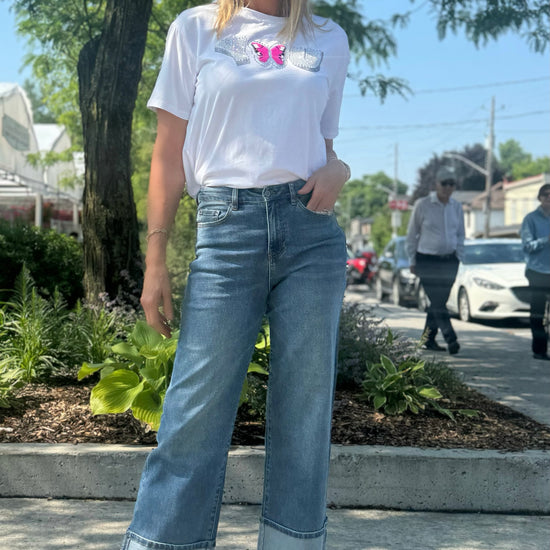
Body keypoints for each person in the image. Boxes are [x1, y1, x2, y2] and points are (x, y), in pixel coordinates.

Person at [121, 1, 350, 549]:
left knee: (305, 411)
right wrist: (155, 259)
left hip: (310, 231)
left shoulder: (329, 37)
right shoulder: (198, 28)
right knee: (193, 410)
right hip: (227, 224)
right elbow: (168, 153)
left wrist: (339, 168)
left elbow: (321, 146)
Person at [406, 166, 465, 354]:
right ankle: (450, 338)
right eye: (444, 183)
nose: (448, 187)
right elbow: (412, 234)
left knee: (438, 302)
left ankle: (428, 339)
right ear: (436, 184)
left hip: (449, 260)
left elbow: (460, 234)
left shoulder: (457, 207)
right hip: (427, 261)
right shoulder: (422, 205)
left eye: (451, 184)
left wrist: (459, 255)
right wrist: (412, 260)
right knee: (438, 302)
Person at [521, 183, 550, 361]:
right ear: (539, 198)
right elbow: (527, 246)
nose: (549, 198)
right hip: (537, 270)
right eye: (546, 195)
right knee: (538, 312)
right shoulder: (530, 219)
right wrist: (546, 240)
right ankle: (539, 350)